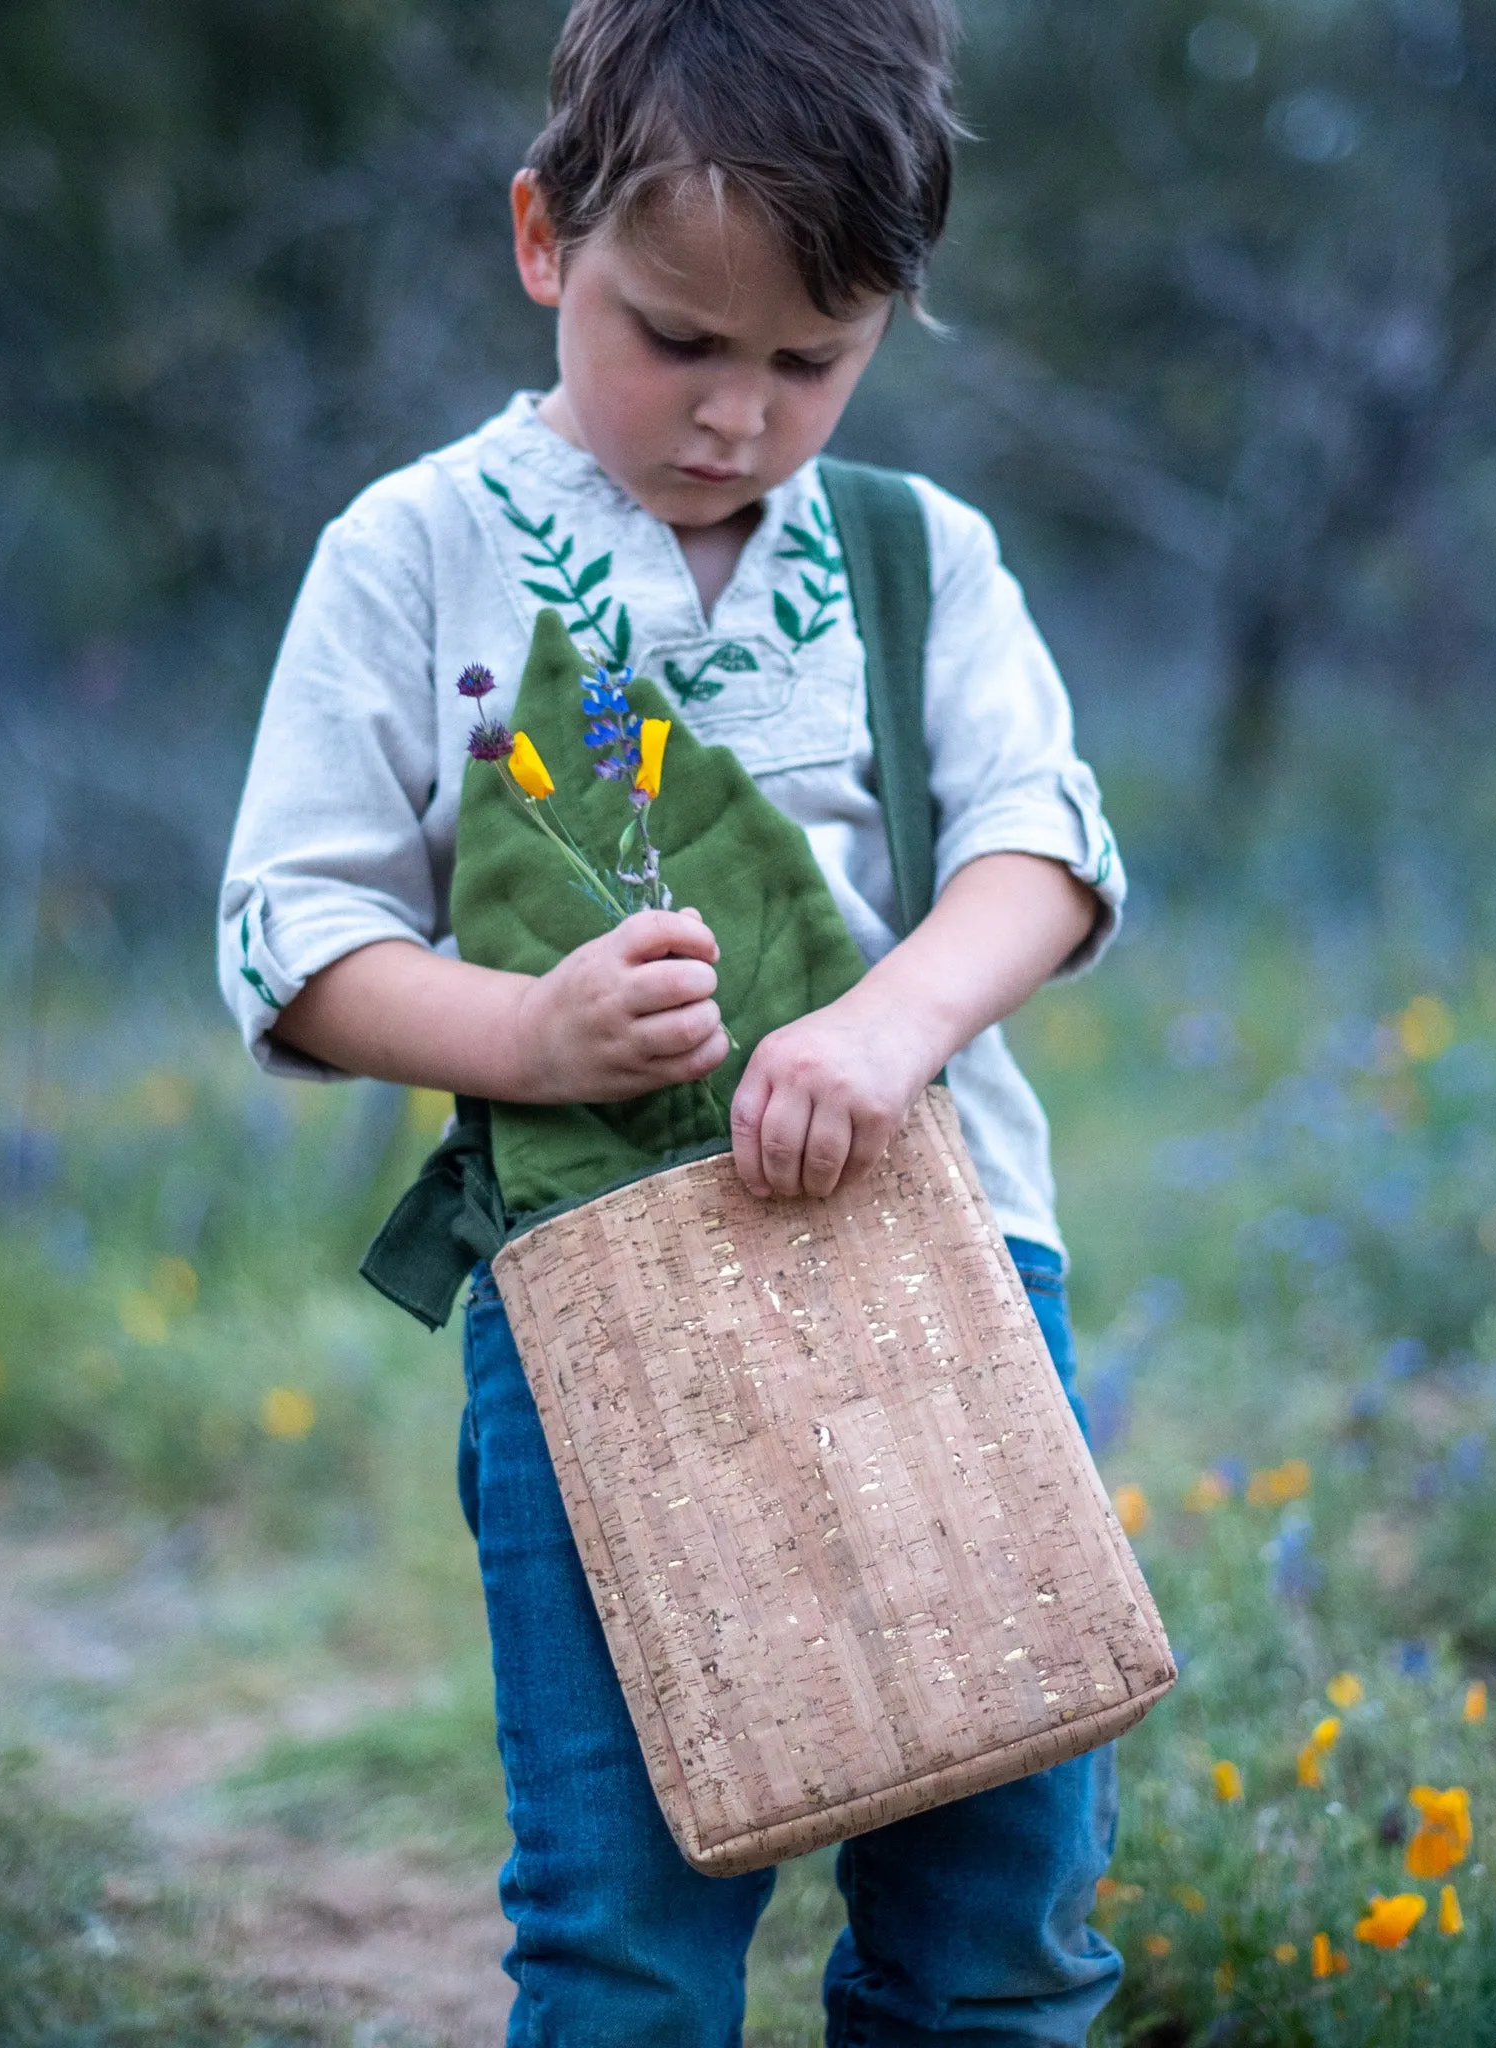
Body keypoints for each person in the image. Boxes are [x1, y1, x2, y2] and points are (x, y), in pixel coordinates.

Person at [218, 0, 1128, 2038]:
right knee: (621, 1924)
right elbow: (291, 929)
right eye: (677, 340)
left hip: (951, 1290)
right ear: (545, 239)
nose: (738, 415)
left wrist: (890, 1030)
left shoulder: (917, 557)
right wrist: (521, 1036)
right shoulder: (417, 552)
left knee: (1001, 1911)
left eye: (813, 358)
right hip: (591, 1327)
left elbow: (1044, 853)